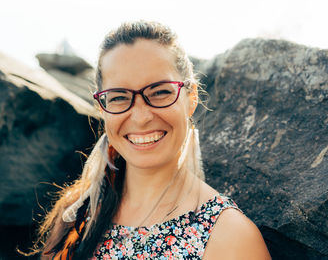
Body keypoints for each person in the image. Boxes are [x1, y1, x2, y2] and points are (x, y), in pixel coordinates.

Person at [24, 20, 271, 260]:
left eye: (161, 92)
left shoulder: (231, 237)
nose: (141, 117)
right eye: (119, 97)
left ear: (191, 97)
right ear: (102, 108)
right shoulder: (79, 213)